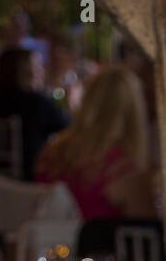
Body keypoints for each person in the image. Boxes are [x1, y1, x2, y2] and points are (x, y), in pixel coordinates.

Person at [34, 65, 156, 219]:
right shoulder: (123, 170)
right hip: (100, 242)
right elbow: (148, 233)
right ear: (135, 114)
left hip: (51, 242)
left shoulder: (49, 155)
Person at [0, 47, 69, 180]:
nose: (42, 71)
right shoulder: (36, 102)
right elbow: (67, 125)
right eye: (37, 66)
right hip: (34, 173)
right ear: (24, 72)